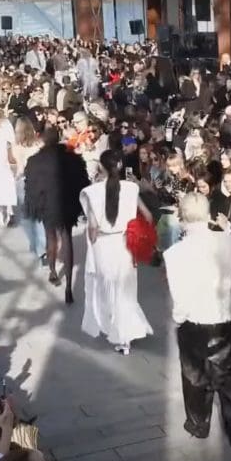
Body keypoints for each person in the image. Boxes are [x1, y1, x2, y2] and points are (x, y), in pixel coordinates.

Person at [163, 192, 231, 461]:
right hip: (223, 320)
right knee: (228, 381)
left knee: (194, 378)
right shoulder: (225, 240)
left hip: (193, 323)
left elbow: (179, 299)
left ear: (181, 217)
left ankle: (199, 423)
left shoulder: (175, 253)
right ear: (207, 213)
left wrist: (178, 319)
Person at [79, 150, 154, 355]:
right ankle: (126, 336)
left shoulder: (91, 192)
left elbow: (92, 228)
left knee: (108, 291)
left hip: (104, 245)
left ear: (100, 167)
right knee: (127, 291)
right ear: (120, 165)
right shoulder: (131, 188)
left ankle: (118, 333)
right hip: (125, 244)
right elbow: (147, 215)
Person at [24, 128, 90, 304]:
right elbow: (83, 182)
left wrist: (35, 204)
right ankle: (69, 287)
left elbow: (30, 185)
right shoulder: (73, 159)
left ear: (43, 140)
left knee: (50, 237)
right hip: (67, 203)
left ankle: (53, 271)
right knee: (66, 237)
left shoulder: (34, 161)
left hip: (46, 205)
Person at [12, 117, 46, 261]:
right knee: (39, 217)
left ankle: (34, 243)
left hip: (22, 181)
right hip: (37, 181)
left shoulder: (15, 146)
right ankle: (41, 247)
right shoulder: (38, 145)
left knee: (26, 217)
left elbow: (15, 163)